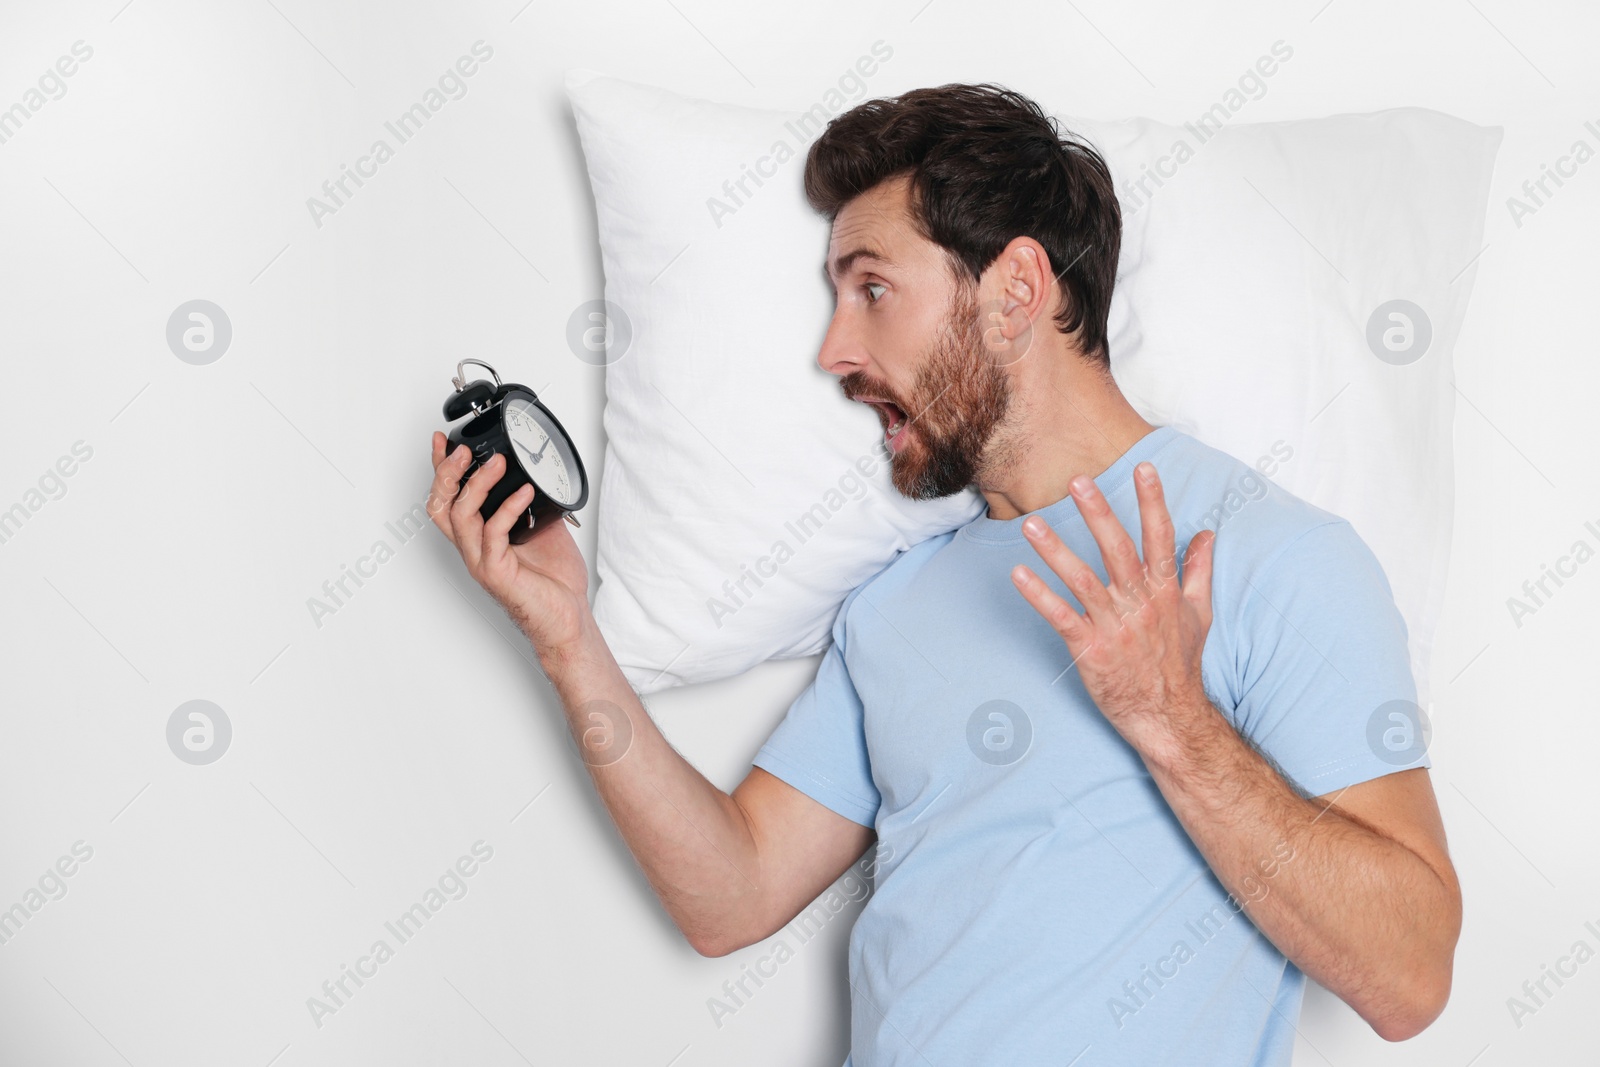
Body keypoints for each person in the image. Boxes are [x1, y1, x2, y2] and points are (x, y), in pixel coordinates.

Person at [427, 82, 1461, 1066]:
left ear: (1016, 289)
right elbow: (729, 895)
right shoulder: (894, 603)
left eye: (872, 288)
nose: (836, 349)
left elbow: (1407, 974)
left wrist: (1170, 720)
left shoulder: (1274, 555)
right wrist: (568, 638)